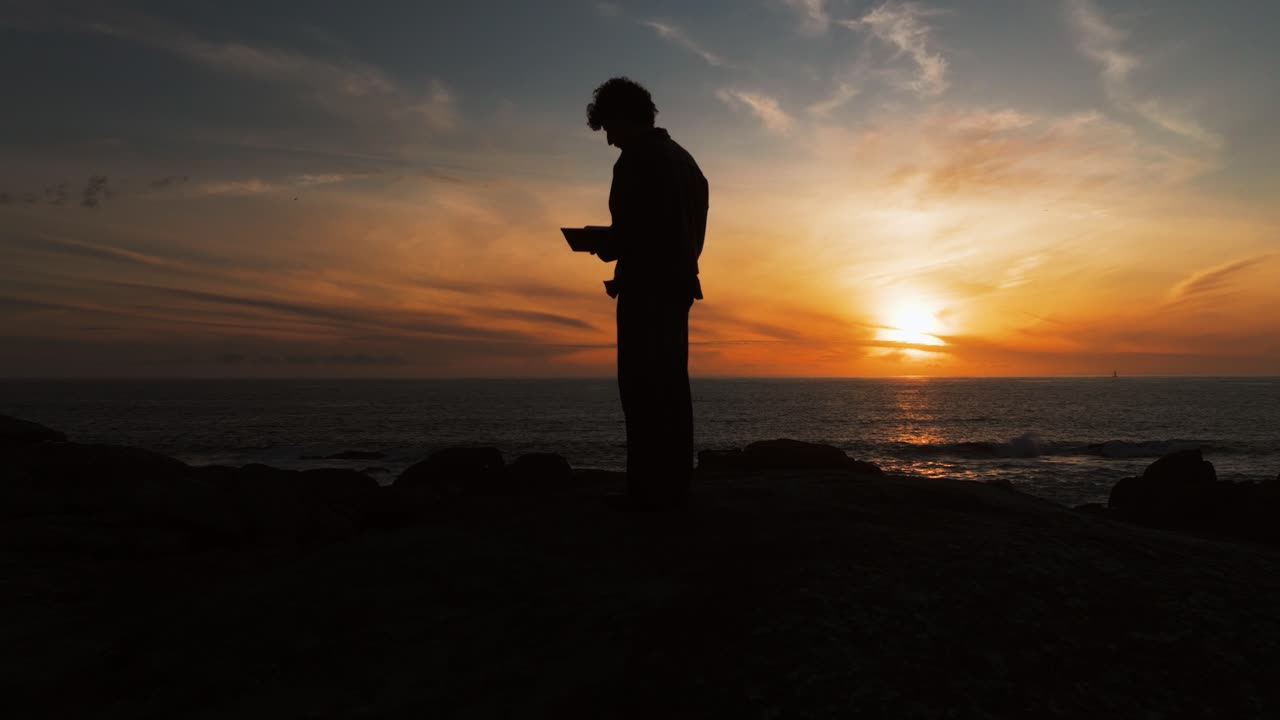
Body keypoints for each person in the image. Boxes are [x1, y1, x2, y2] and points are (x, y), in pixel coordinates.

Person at [585, 77, 708, 510]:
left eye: (609, 129)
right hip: (677, 286)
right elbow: (682, 230)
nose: (609, 141)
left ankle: (648, 493)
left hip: (647, 286)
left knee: (640, 389)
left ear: (623, 118)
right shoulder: (686, 161)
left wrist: (607, 244)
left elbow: (640, 231)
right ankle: (673, 488)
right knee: (671, 387)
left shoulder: (637, 159)